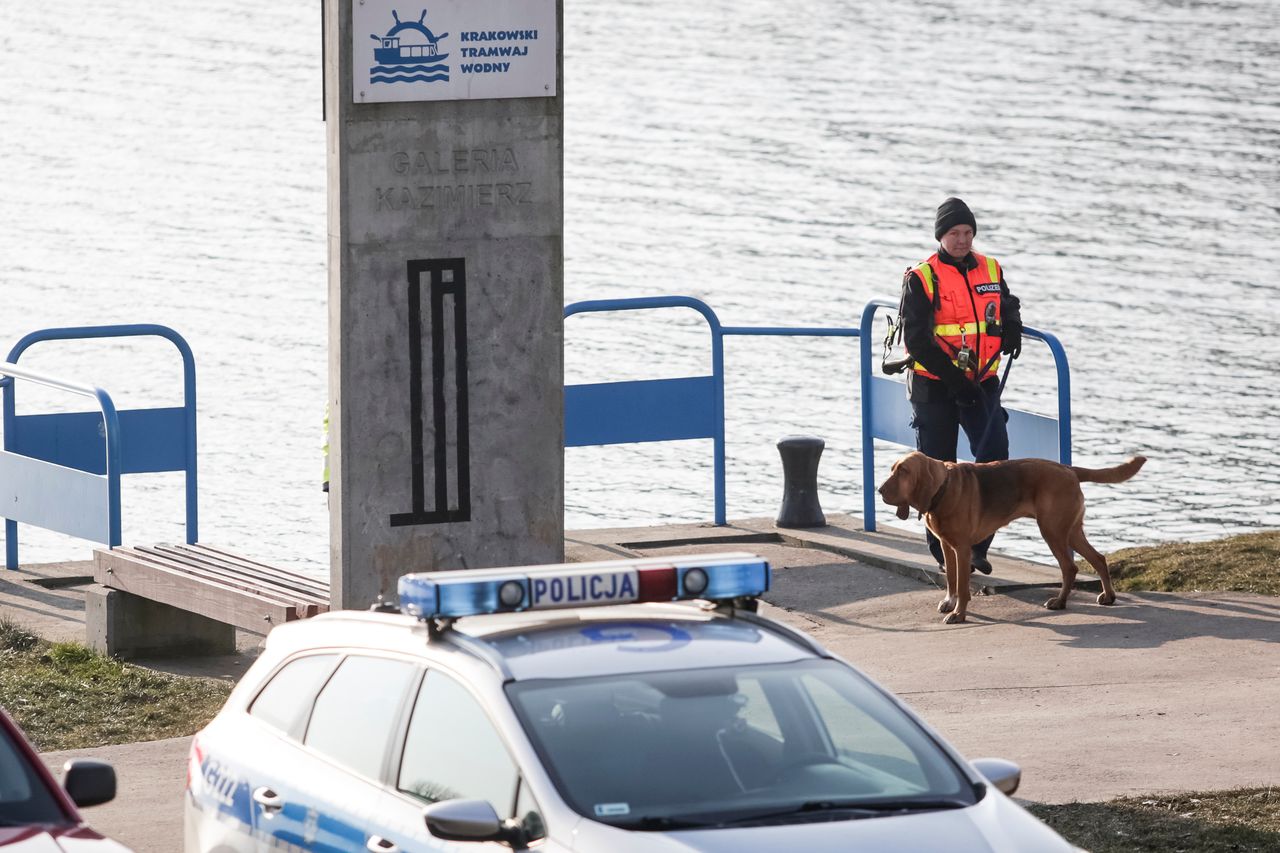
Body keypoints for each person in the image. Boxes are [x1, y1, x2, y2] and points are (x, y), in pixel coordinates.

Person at [899, 197, 1022, 574]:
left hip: (981, 380)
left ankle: (978, 546)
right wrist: (955, 381)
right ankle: (947, 558)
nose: (962, 240)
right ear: (941, 236)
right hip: (935, 385)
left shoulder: (990, 267)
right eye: (954, 233)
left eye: (968, 232)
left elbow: (1004, 300)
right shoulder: (921, 277)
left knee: (995, 460)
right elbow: (917, 341)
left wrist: (1013, 319)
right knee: (935, 473)